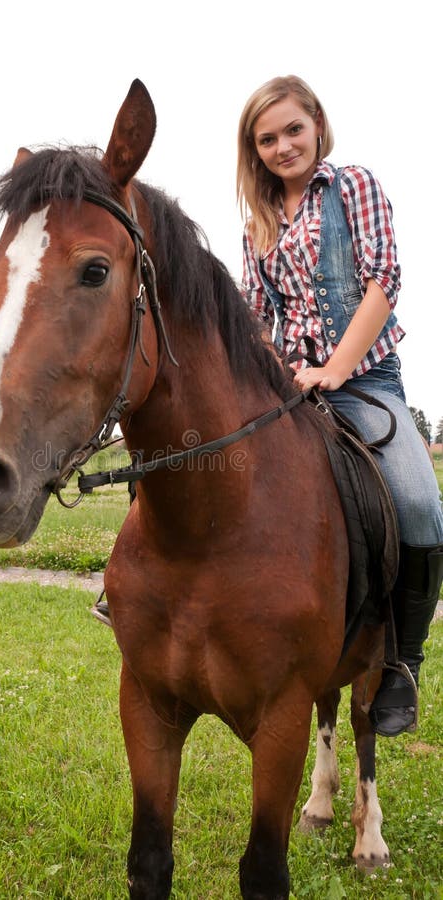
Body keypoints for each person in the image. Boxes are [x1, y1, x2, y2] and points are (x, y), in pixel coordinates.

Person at [236, 75, 443, 737]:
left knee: (419, 506)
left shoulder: (351, 185)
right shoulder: (257, 224)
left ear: (317, 125)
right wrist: (270, 378)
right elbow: (256, 317)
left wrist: (336, 368)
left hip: (368, 382)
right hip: (290, 388)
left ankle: (401, 666)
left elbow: (385, 279)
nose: (282, 146)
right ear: (255, 150)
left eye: (292, 130)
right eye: (266, 139)